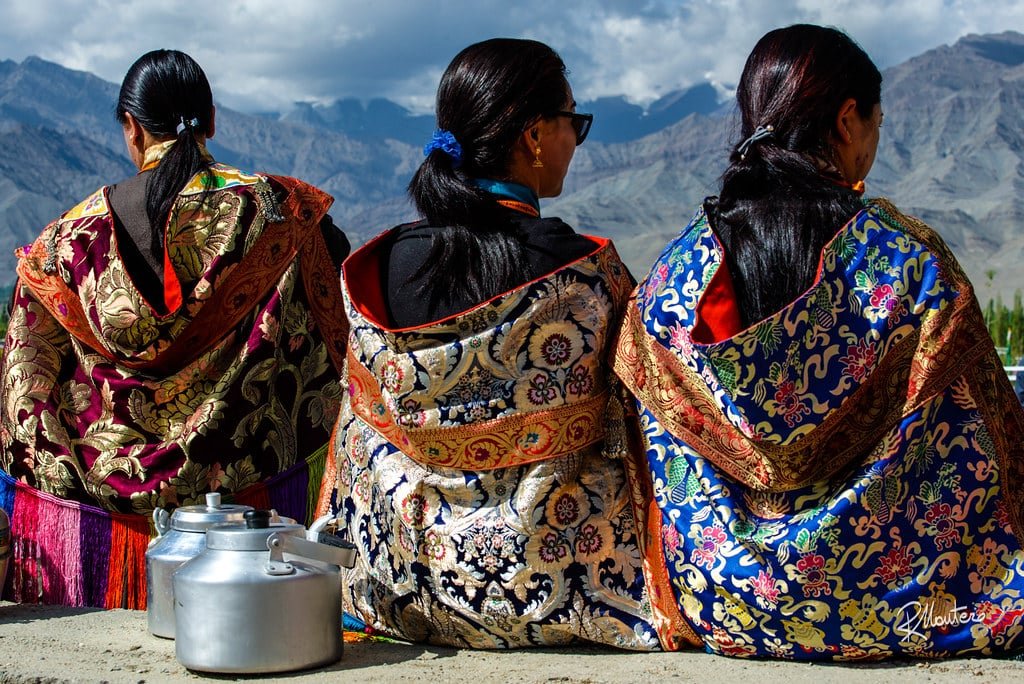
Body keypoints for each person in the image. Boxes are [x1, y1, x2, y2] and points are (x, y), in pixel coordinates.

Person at [612, 24, 1024, 659]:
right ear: (848, 119)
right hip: (893, 601)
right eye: (877, 125)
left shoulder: (673, 278)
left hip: (726, 603)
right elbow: (989, 442)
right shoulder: (908, 265)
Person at [318, 38, 658, 650]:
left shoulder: (382, 269)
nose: (575, 142)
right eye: (572, 122)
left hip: (402, 587)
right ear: (533, 135)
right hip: (558, 586)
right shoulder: (585, 276)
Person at [0, 50, 349, 608]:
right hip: (250, 521)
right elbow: (334, 325)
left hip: (100, 532)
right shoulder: (283, 216)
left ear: (131, 128)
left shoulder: (63, 244)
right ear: (211, 121)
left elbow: (29, 381)